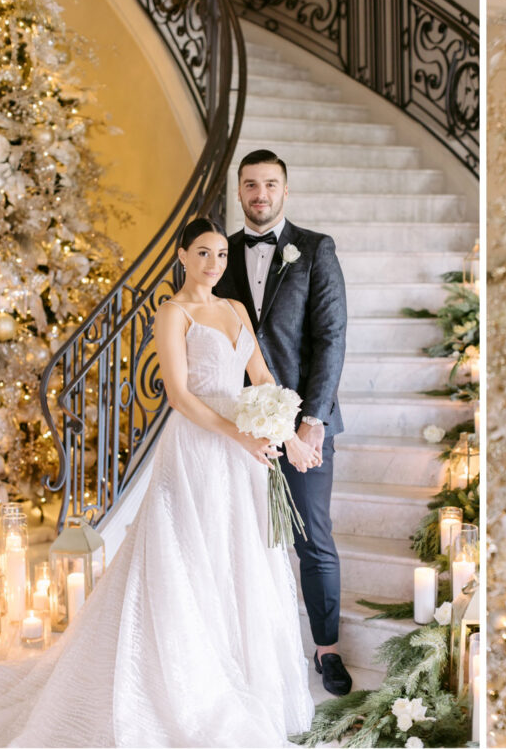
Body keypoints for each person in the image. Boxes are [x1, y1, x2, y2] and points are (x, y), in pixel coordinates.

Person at [0, 217, 313, 746]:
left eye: (221, 255)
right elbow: (178, 395)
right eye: (203, 253)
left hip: (243, 448)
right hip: (199, 443)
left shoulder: (236, 309)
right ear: (181, 255)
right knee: (192, 554)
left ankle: (244, 675)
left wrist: (283, 434)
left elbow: (262, 379)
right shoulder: (172, 314)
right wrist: (237, 434)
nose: (214, 264)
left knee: (239, 555)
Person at [213, 149, 350, 695]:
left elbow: (331, 337)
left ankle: (327, 650)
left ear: (285, 191)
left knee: (313, 539)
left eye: (270, 184)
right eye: (250, 185)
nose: (260, 194)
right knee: (237, 538)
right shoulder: (219, 255)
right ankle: (242, 648)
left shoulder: (316, 249)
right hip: (238, 426)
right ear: (239, 192)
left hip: (303, 424)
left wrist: (312, 419)